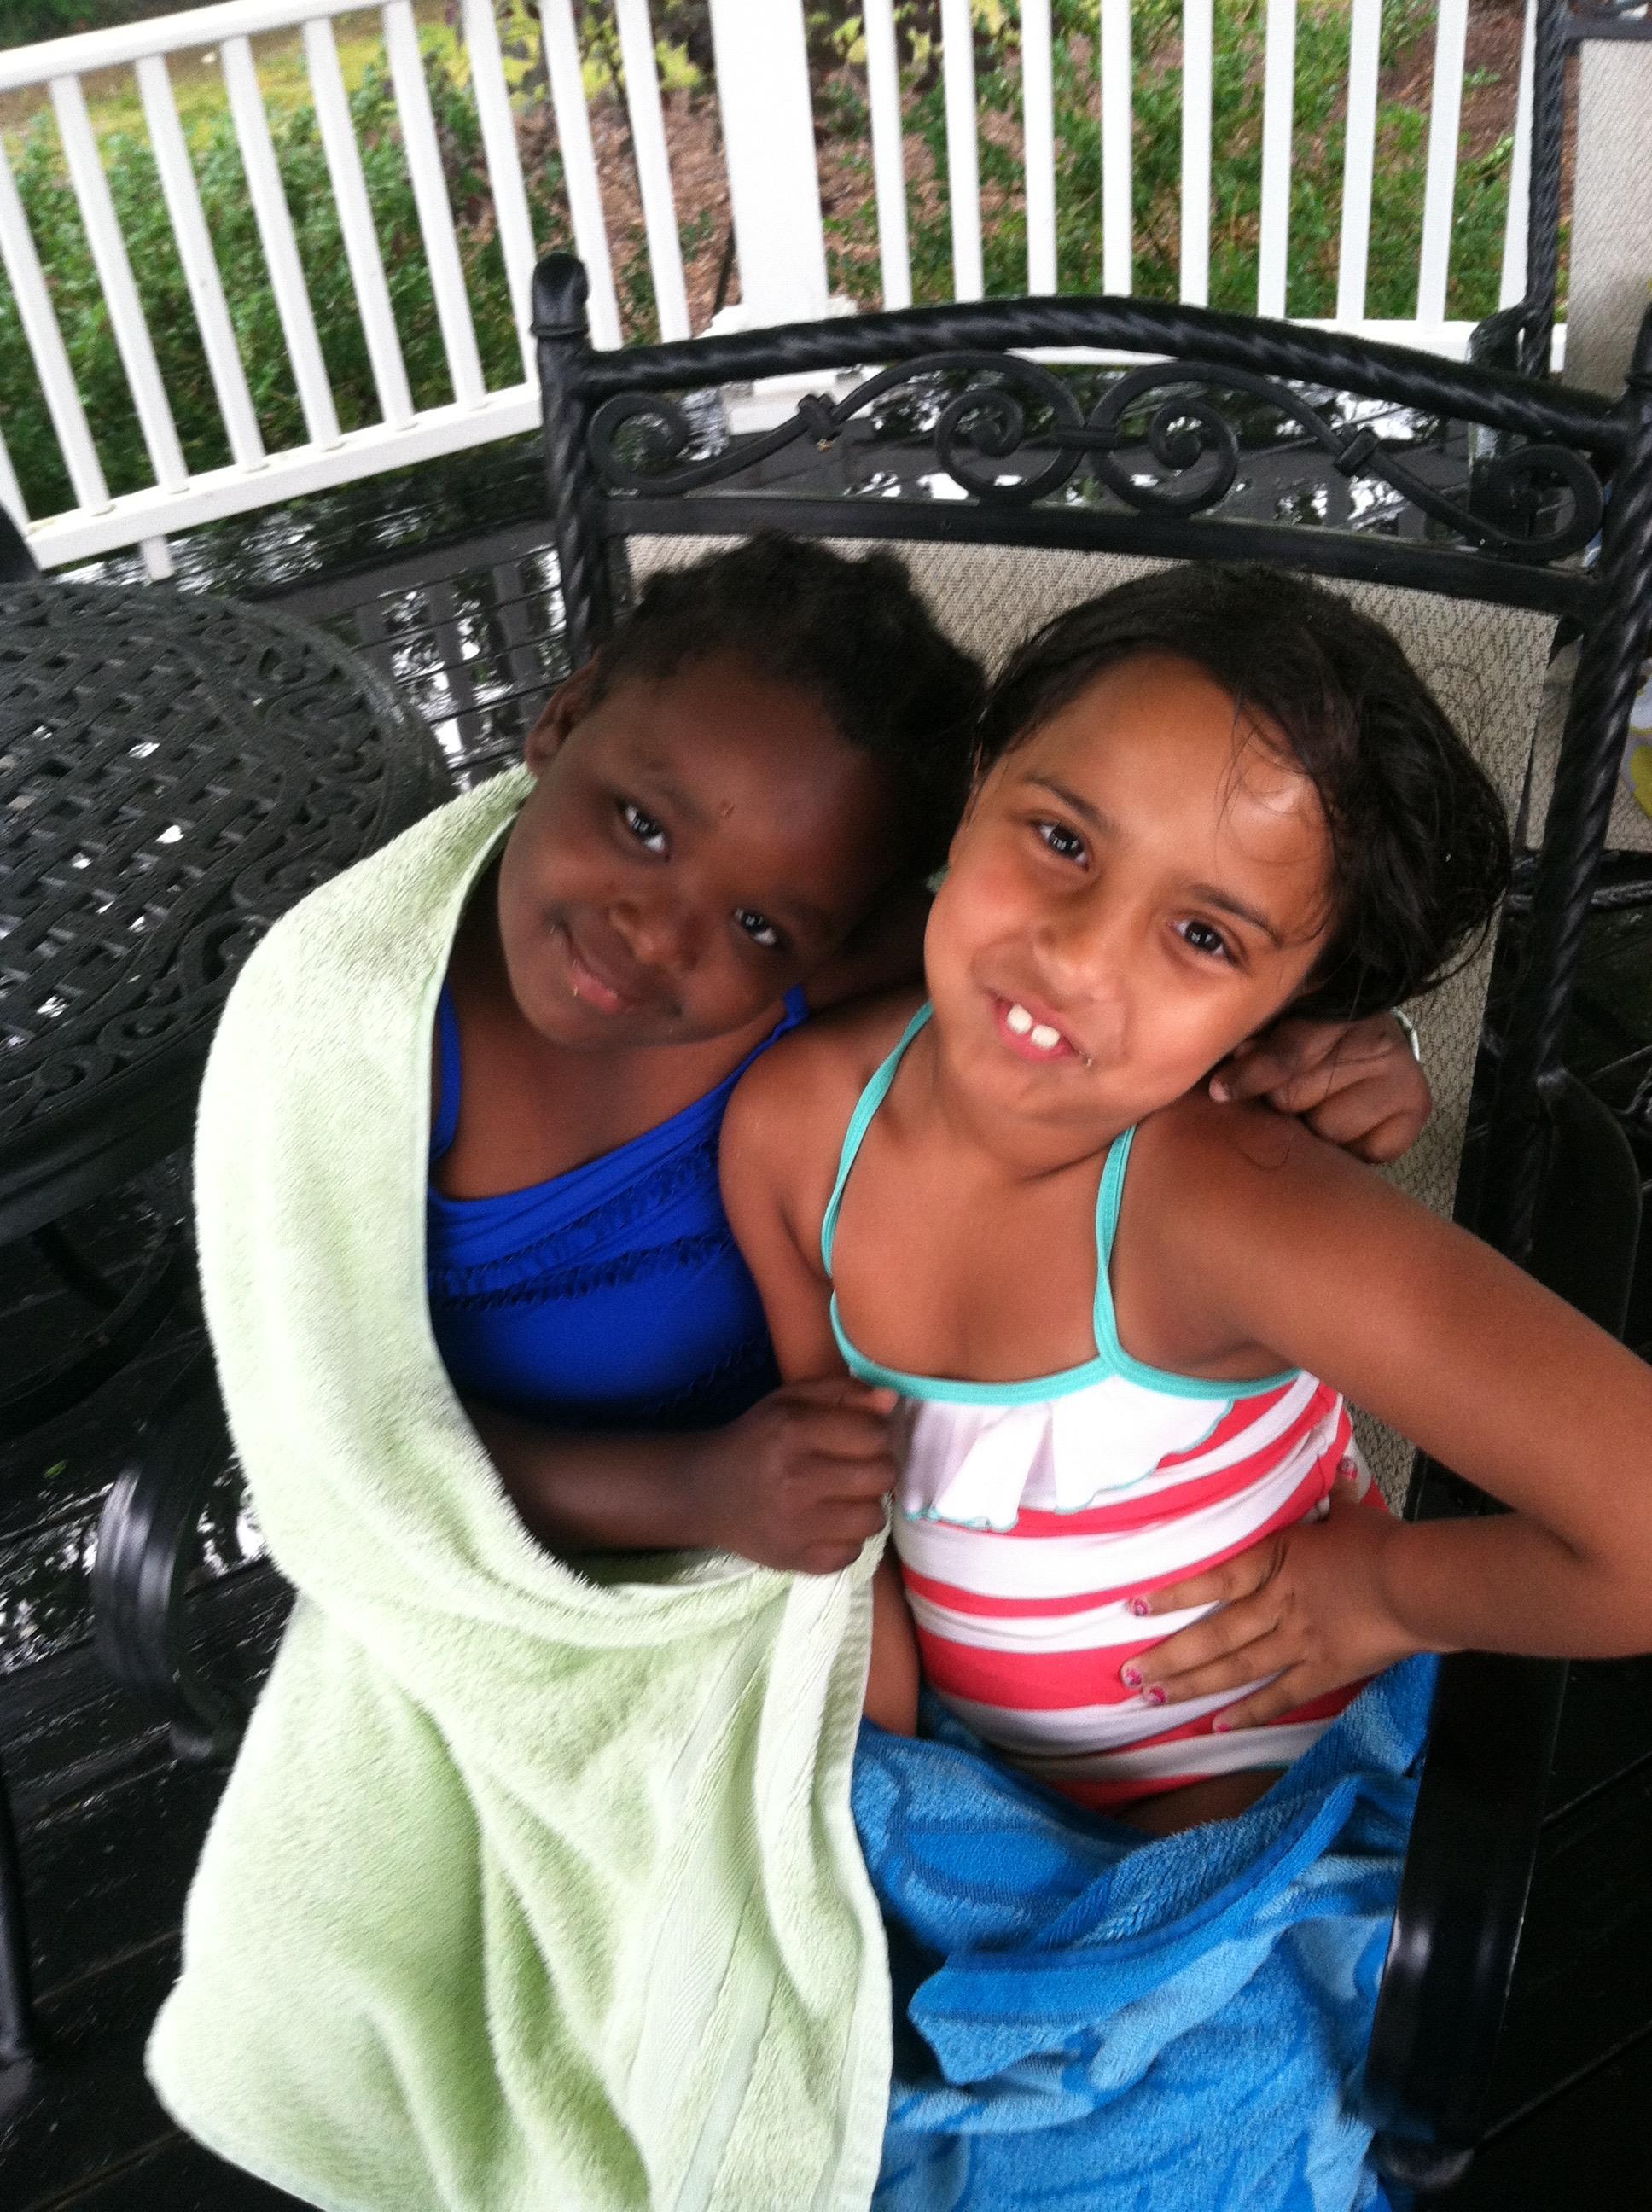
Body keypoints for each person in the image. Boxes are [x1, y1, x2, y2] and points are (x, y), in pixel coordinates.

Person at [720, 562, 1652, 1842]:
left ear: (1288, 1011)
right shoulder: (788, 1131)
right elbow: (846, 1529)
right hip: (961, 1793)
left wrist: (1384, 1590)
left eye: (1206, 936)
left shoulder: (1225, 1204)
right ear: (980, 775)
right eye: (1062, 840)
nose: (1081, 954)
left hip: (1257, 1827)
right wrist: (873, 1816)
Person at [442, 538, 1435, 1569]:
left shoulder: (858, 972)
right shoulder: (361, 1046)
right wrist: (693, 1491)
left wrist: (1327, 1040)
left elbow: (1080, 984)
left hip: (842, 1535)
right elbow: (350, 1444)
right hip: (592, 1544)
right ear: (562, 716)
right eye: (642, 824)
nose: (655, 935)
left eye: (757, 923)